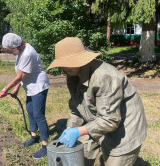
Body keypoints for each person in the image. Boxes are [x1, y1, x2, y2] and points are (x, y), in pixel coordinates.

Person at [46, 37, 147, 166]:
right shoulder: (72, 75)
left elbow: (110, 120)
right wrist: (70, 127)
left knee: (114, 161)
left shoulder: (104, 76)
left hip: (124, 129)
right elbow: (77, 107)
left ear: (79, 60)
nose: (61, 68)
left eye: (65, 63)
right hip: (96, 120)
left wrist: (78, 132)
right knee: (78, 159)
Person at [0, 33, 50, 159]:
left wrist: (6, 89)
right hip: (30, 86)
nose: (11, 53)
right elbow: (23, 74)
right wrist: (16, 88)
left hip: (39, 86)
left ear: (16, 46)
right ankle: (34, 136)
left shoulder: (27, 53)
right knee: (30, 111)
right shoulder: (21, 50)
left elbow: (21, 76)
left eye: (10, 51)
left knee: (39, 115)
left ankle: (45, 146)